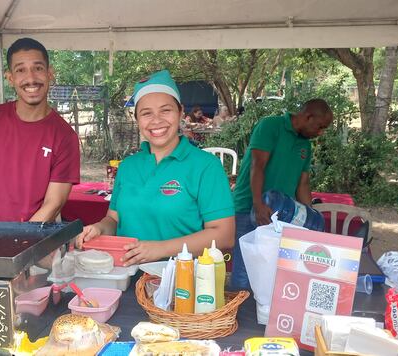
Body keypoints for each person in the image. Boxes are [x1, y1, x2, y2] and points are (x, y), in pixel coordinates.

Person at [76, 70, 235, 266]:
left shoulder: (206, 167)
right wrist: (99, 228)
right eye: (146, 113)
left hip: (182, 283)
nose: (156, 120)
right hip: (126, 276)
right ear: (137, 119)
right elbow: (114, 220)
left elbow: (224, 235)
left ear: (181, 112)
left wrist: (160, 249)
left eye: (165, 110)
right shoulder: (127, 167)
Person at [0, 38, 80, 222]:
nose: (30, 78)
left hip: (36, 243)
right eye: (21, 70)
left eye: (38, 68)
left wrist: (21, 244)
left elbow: (54, 203)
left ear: (50, 73)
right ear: (10, 78)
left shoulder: (65, 136)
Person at [229, 99, 333, 290]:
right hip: (248, 207)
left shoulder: (306, 146)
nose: (320, 133)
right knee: (244, 274)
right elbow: (257, 165)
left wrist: (310, 216)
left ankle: (264, 316)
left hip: (281, 216)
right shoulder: (271, 126)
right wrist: (258, 203)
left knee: (273, 275)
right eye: (320, 127)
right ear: (308, 116)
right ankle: (238, 317)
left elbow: (303, 183)